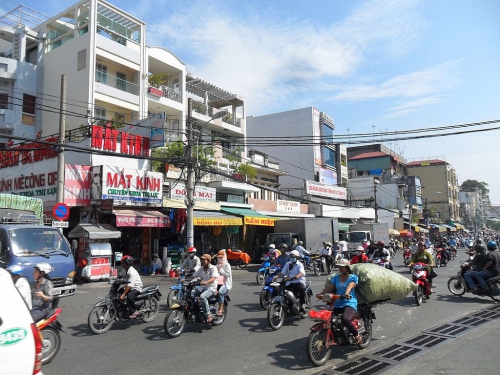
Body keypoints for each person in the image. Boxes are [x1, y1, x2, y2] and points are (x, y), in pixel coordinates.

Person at [317, 259, 363, 345]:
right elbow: (330, 287)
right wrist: (321, 293)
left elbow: (350, 285)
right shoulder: (336, 278)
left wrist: (346, 294)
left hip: (349, 302)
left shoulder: (353, 277)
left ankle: (357, 335)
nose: (340, 269)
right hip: (337, 303)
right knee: (327, 318)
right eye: (339, 267)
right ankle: (338, 333)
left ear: (347, 268)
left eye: (342, 267)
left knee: (345, 319)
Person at [191, 254, 219, 323]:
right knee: (191, 293)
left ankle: (208, 314)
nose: (202, 261)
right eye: (201, 260)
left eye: (204, 260)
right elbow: (193, 276)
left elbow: (213, 278)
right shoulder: (201, 268)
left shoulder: (213, 268)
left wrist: (205, 282)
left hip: (211, 288)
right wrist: (185, 279)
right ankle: (196, 309)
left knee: (202, 296)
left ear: (208, 261)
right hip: (202, 287)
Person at [215, 250, 232, 316]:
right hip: (217, 283)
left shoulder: (227, 265)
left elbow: (228, 275)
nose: (220, 259)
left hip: (225, 283)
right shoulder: (217, 265)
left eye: (221, 257)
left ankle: (221, 309)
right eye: (218, 257)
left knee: (220, 292)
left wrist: (221, 270)